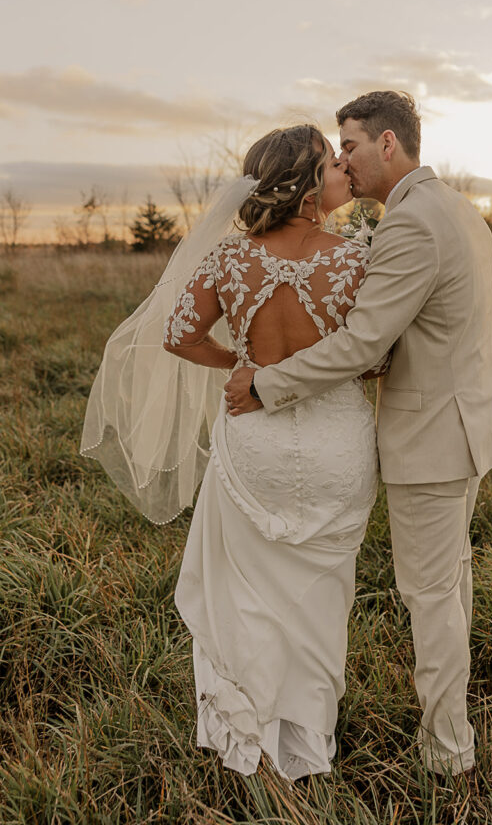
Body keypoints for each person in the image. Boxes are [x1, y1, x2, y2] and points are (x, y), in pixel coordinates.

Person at [81, 124, 387, 781]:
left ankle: (243, 735)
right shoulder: (357, 258)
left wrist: (241, 364)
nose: (341, 167)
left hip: (254, 443)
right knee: (320, 593)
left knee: (246, 593)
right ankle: (306, 744)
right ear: (310, 188)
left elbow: (178, 335)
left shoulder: (227, 258)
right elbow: (374, 356)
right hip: (337, 446)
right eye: (329, 162)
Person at [225, 91, 492, 777]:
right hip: (470, 424)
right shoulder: (456, 207)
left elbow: (360, 344)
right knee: (450, 584)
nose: (343, 161)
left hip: (434, 439)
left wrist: (266, 383)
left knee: (430, 596)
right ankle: (451, 737)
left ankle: (448, 755)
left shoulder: (411, 225)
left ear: (389, 145)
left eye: (349, 145)